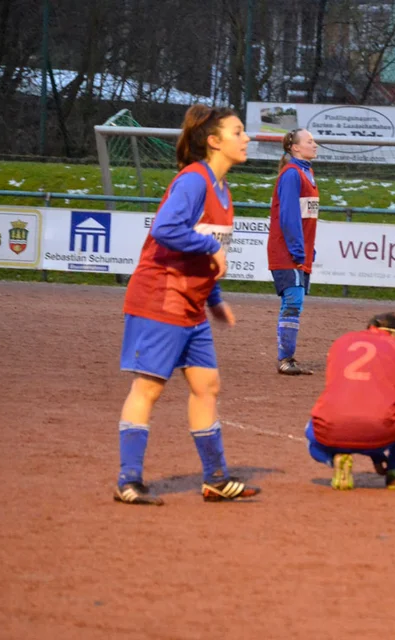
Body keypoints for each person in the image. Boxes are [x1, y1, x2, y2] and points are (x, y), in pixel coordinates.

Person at [114, 104, 260, 505]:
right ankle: (128, 481)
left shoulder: (224, 191)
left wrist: (214, 300)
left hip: (191, 306)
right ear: (214, 141)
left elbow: (203, 257)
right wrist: (211, 245)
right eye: (238, 131)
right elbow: (164, 229)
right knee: (149, 387)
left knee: (206, 386)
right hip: (160, 296)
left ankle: (214, 478)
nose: (246, 138)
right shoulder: (194, 181)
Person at [304, 312, 395, 490]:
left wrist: (375, 455)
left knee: (312, 432)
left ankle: (335, 459)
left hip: (332, 428)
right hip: (382, 432)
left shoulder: (341, 343)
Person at [267, 128, 320, 375]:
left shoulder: (306, 172)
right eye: (310, 141)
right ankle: (285, 359)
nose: (315, 144)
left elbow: (304, 216)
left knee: (294, 301)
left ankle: (286, 358)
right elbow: (289, 217)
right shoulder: (292, 174)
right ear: (295, 148)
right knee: (293, 301)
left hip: (298, 250)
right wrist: (299, 250)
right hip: (288, 250)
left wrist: (310, 248)